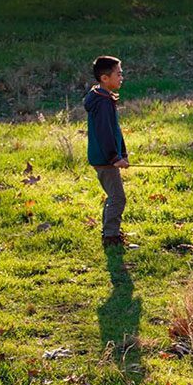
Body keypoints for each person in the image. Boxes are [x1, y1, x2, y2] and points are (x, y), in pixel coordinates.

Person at [84, 55, 131, 246]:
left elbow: (115, 130)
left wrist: (123, 153)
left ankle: (109, 233)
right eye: (118, 74)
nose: (122, 77)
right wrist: (114, 157)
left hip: (106, 157)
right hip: (105, 159)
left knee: (114, 196)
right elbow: (105, 133)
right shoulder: (102, 103)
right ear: (105, 78)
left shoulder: (103, 98)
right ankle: (111, 237)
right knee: (118, 198)